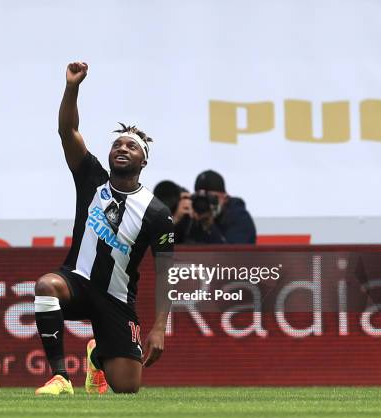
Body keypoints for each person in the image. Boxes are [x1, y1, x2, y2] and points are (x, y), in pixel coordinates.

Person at [33, 61, 174, 395]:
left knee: (127, 387)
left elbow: (167, 272)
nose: (122, 148)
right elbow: (67, 132)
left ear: (144, 161)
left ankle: (97, 356)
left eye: (131, 147)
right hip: (77, 282)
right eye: (117, 145)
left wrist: (159, 327)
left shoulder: (156, 212)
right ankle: (60, 377)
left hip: (117, 299)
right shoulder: (91, 178)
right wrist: (72, 87)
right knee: (46, 286)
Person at [178, 170, 256, 244]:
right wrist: (175, 220)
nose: (204, 204)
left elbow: (236, 256)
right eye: (200, 199)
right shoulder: (190, 218)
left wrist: (209, 227)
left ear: (225, 198)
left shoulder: (239, 217)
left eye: (211, 198)